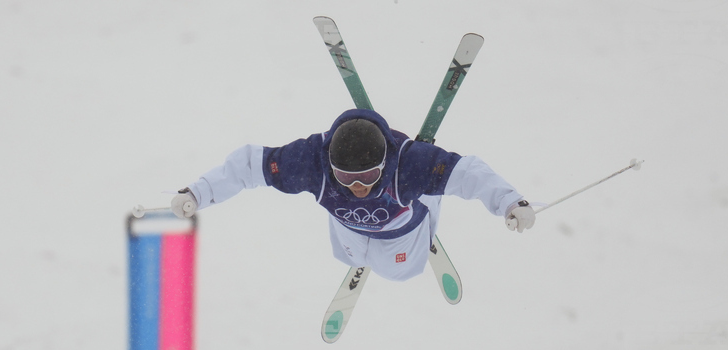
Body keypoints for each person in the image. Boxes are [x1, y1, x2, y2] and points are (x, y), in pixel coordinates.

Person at [171, 108, 535, 281]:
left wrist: (509, 202)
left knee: (400, 274)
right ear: (331, 164)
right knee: (347, 257)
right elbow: (249, 166)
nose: (358, 185)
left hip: (401, 226)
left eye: (368, 175)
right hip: (347, 226)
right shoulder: (310, 162)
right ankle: (365, 246)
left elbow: (469, 173)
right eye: (346, 176)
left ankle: (430, 203)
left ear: (384, 163)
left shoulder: (410, 166)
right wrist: (198, 193)